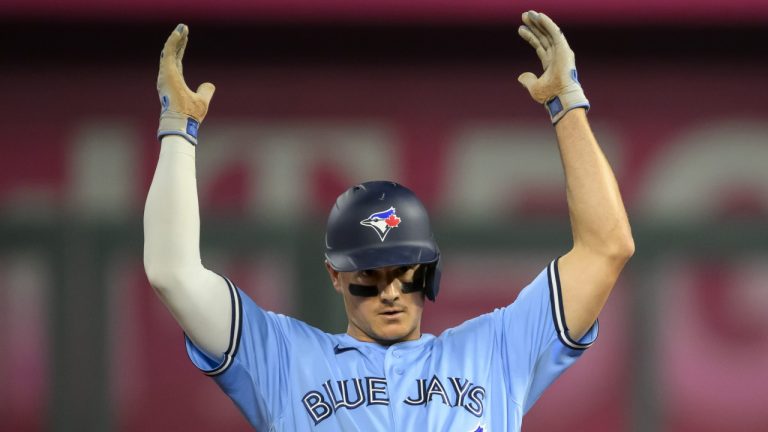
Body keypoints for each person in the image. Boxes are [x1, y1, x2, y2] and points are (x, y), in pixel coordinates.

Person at [144, 10, 634, 431]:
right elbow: (173, 272)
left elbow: (607, 248)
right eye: (370, 277)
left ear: (429, 272)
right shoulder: (282, 357)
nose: (391, 292)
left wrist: (567, 104)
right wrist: (177, 129)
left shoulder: (495, 349)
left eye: (405, 272)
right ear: (335, 275)